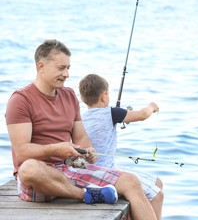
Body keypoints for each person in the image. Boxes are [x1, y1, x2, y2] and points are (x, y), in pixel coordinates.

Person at [5, 39, 158, 220]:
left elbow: (82, 138)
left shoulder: (69, 95)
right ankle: (85, 195)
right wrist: (57, 148)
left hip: (70, 170)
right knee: (28, 168)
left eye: (68, 68)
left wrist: (88, 151)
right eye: (61, 68)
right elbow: (22, 152)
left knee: (131, 181)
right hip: (40, 179)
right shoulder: (20, 100)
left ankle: (85, 192)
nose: (67, 74)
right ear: (41, 67)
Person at [79, 74, 164, 220]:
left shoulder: (80, 119)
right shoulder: (112, 112)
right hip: (106, 172)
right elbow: (143, 115)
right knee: (157, 194)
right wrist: (152, 107)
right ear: (104, 96)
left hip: (90, 173)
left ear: (82, 98)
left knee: (157, 182)